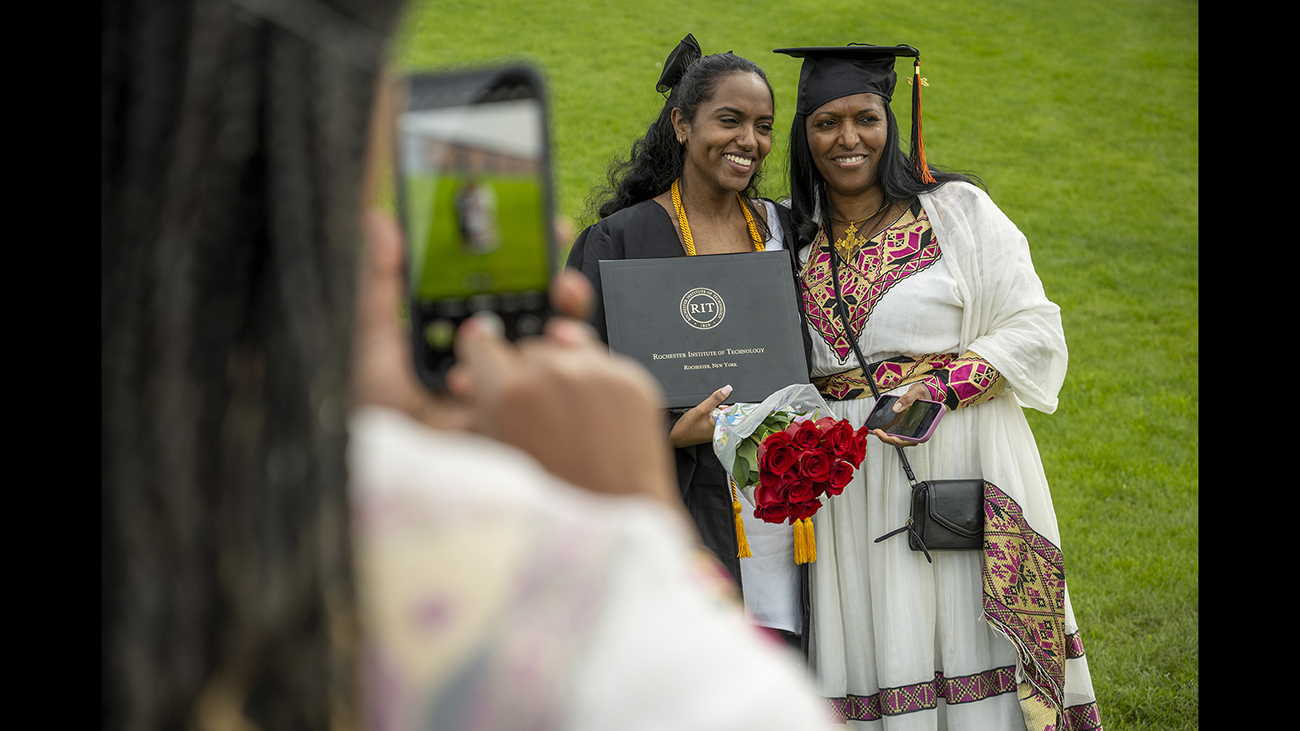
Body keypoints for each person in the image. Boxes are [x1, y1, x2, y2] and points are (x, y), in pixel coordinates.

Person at [773, 44, 1104, 730]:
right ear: (805, 136)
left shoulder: (956, 212)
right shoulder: (789, 237)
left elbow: (1034, 326)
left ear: (892, 123)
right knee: (875, 632)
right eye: (826, 122)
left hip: (956, 460)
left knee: (962, 623)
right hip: (848, 483)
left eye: (865, 117)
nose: (847, 138)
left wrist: (945, 386)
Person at [565, 34, 809, 648]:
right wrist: (669, 434)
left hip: (785, 508)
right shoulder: (619, 243)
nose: (748, 141)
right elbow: (577, 394)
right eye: (729, 120)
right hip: (681, 514)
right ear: (680, 123)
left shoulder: (786, 231)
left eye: (763, 126)